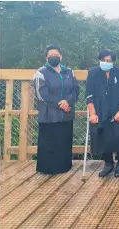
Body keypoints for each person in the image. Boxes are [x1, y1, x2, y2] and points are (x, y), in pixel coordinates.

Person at [86, 50, 119, 178]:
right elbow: (89, 95)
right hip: (101, 111)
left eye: (108, 61)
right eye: (103, 60)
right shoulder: (92, 73)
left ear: (113, 62)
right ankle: (108, 164)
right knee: (102, 134)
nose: (105, 63)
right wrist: (92, 113)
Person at [32, 44, 79, 174]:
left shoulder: (69, 71)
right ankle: (48, 170)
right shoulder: (40, 73)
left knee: (64, 141)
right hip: (49, 115)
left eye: (56, 55)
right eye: (50, 56)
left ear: (61, 57)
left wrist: (67, 102)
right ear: (46, 58)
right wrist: (60, 103)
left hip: (67, 114)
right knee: (48, 143)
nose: (54, 57)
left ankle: (64, 167)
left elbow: (75, 90)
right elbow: (41, 94)